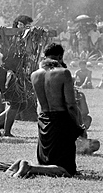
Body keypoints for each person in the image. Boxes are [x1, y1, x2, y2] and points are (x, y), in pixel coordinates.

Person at [27, 43, 86, 177]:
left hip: (43, 122)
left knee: (47, 163)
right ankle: (30, 167)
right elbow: (70, 105)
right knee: (67, 170)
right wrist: (78, 125)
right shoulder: (64, 73)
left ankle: (30, 166)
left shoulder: (34, 75)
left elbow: (39, 105)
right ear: (60, 57)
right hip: (61, 122)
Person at [0, 15, 34, 137]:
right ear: (18, 24)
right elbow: (5, 51)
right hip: (8, 74)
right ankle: (6, 131)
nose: (28, 28)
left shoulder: (23, 39)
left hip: (16, 75)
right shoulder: (10, 38)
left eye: (29, 26)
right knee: (16, 103)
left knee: (19, 104)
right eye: (25, 25)